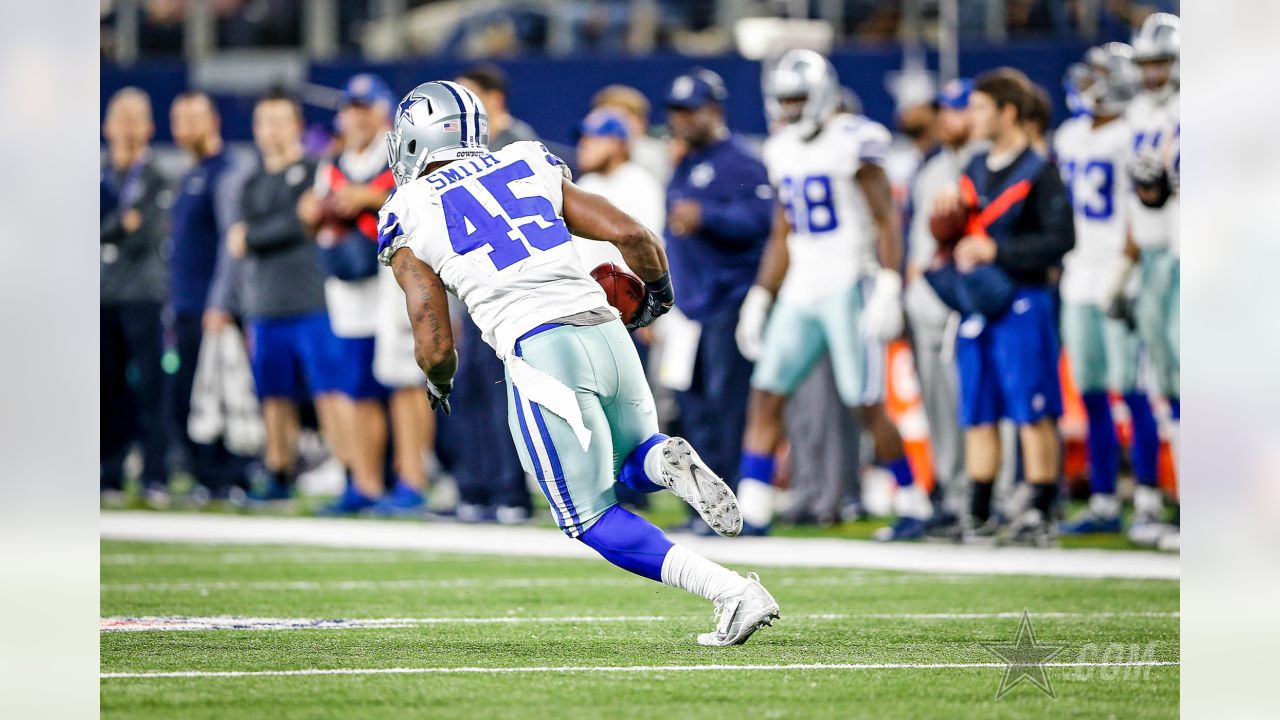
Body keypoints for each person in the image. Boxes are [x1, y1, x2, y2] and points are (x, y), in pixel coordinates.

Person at [378, 79, 779, 646]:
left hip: (540, 348)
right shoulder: (525, 161)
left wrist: (438, 382)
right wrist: (659, 296)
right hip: (605, 329)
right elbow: (631, 234)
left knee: (588, 516)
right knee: (629, 461)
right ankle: (664, 460)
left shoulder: (406, 207)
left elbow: (435, 340)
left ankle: (732, 592)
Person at [735, 50, 924, 538]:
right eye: (784, 100)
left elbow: (886, 218)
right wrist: (761, 294)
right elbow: (782, 231)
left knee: (864, 401)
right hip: (802, 283)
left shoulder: (854, 140)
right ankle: (753, 511)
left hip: (848, 278)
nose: (790, 109)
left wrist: (887, 282)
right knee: (766, 393)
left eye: (798, 98)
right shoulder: (780, 149)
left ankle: (912, 502)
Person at [928, 68, 1075, 546]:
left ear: (1007, 112)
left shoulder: (1040, 170)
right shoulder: (972, 170)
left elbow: (1060, 240)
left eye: (980, 108)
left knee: (1033, 411)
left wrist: (998, 252)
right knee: (979, 411)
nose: (972, 116)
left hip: (1023, 299)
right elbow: (956, 236)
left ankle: (1039, 508)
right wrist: (944, 224)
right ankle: (979, 511)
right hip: (978, 305)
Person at [1054, 44, 1162, 536]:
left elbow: (1142, 207)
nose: (1085, 82)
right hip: (1079, 274)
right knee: (1093, 392)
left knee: (1134, 390)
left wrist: (1127, 263)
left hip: (1121, 273)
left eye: (1096, 75)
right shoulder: (1069, 135)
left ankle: (1147, 498)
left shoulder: (1131, 134)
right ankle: (1101, 500)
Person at [663, 68, 773, 534]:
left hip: (728, 302)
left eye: (691, 110)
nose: (681, 119)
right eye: (677, 110)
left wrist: (707, 215)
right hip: (691, 307)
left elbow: (763, 221)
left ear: (715, 111)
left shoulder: (741, 162)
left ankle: (730, 510)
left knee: (725, 411)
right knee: (694, 413)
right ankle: (702, 508)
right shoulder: (685, 162)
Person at [225, 91, 344, 502]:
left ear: (296, 125)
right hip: (264, 303)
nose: (270, 130)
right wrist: (288, 221)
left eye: (279, 120)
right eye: (263, 121)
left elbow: (300, 223)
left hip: (312, 299)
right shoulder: (252, 180)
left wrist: (262, 234)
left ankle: (345, 470)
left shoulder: (315, 170)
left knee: (330, 390)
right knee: (272, 395)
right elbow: (239, 241)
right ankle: (278, 471)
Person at [439, 64, 542, 523]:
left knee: (505, 399)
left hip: (513, 295)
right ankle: (474, 489)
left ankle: (511, 492)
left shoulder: (518, 144)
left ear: (492, 100)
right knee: (473, 397)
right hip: (474, 297)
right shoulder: (462, 150)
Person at [298, 74, 398, 513]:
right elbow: (315, 216)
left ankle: (410, 477)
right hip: (348, 287)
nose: (355, 117)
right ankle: (364, 480)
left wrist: (368, 198)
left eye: (364, 107)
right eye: (350, 108)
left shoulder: (396, 154)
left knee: (403, 387)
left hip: (393, 285)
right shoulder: (333, 161)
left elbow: (418, 202)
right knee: (355, 388)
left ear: (383, 112)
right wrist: (313, 211)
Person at [1108, 12, 1180, 547]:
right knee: (1167, 385)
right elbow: (1142, 199)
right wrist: (1126, 265)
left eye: (1163, 63)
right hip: (1154, 255)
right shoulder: (1135, 113)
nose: (1154, 74)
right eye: (1148, 65)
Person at [904, 78, 982, 539]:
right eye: (945, 110)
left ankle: (986, 500)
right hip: (927, 301)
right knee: (939, 409)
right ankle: (952, 498)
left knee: (976, 407)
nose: (947, 120)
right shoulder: (934, 167)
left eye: (957, 110)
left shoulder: (986, 167)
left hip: (967, 301)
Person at [166, 90, 251, 502]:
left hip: (210, 306)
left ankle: (227, 477)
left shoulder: (226, 172)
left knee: (220, 391)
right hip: (185, 304)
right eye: (178, 118)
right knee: (193, 393)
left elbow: (231, 243)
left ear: (213, 120)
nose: (184, 127)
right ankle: (205, 476)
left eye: (193, 117)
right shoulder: (190, 174)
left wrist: (220, 301)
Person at [101, 87, 170, 504]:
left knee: (151, 387)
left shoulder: (157, 175)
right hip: (100, 294)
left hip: (144, 294)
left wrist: (109, 227)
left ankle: (154, 473)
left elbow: (144, 231)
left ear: (148, 128)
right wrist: (117, 225)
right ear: (106, 126)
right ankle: (109, 472)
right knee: (105, 387)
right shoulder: (98, 173)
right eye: (120, 118)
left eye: (135, 118)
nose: (126, 127)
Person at [571, 107, 665, 269]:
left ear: (617, 143)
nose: (583, 145)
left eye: (593, 138)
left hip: (624, 288)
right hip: (584, 288)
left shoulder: (640, 183)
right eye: (583, 138)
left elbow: (649, 247)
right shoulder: (586, 184)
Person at [591, 83, 671, 184]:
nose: (614, 129)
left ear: (641, 122)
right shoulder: (596, 156)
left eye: (621, 119)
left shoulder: (655, 154)